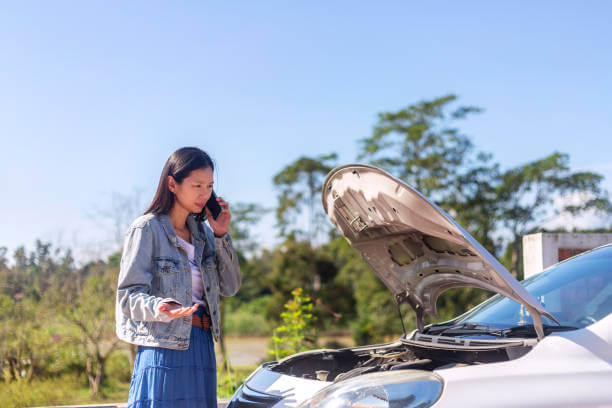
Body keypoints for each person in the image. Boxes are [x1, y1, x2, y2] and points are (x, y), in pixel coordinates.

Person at [115, 146, 242, 408]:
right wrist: (159, 307)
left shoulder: (206, 236)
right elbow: (127, 298)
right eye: (197, 185)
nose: (204, 194)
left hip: (202, 346)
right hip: (164, 348)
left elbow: (230, 287)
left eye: (209, 186)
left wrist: (221, 235)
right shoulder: (146, 229)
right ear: (172, 183)